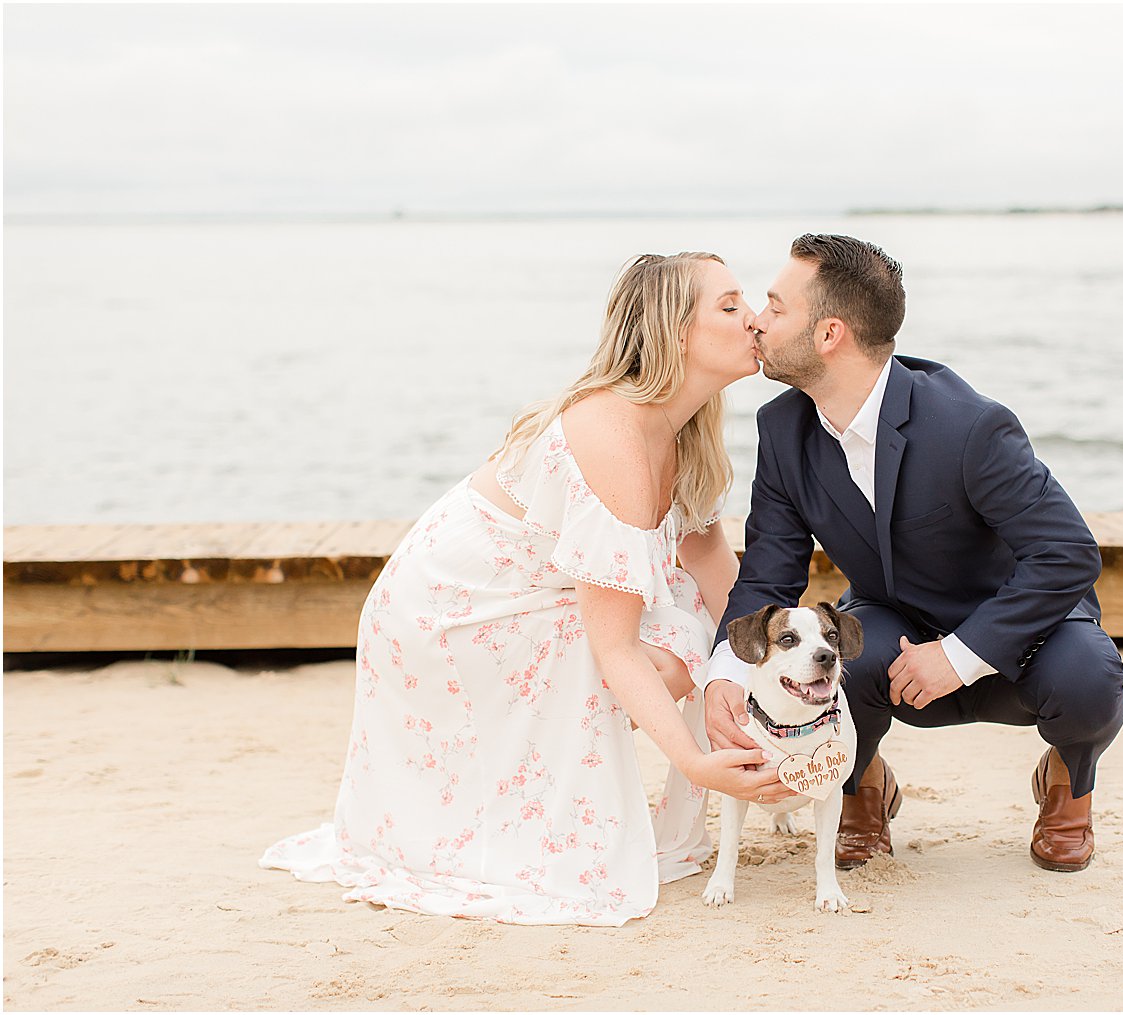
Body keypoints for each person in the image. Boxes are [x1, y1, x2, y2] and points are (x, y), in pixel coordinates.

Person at [262, 252, 793, 926]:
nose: (752, 319)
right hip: (444, 616)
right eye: (728, 305)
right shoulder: (615, 435)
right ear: (672, 331)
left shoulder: (686, 433)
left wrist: (781, 679)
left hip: (523, 599)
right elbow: (618, 649)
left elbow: (722, 580)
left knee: (696, 616)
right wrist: (693, 759)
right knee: (671, 631)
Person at [702, 234, 1123, 873]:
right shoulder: (782, 429)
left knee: (1090, 678)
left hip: (1022, 637)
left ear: (829, 334)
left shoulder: (968, 425)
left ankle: (1069, 781)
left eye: (775, 306)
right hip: (895, 628)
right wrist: (727, 674)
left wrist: (959, 657)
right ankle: (862, 784)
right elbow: (770, 569)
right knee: (845, 648)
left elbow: (1066, 552)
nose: (757, 322)